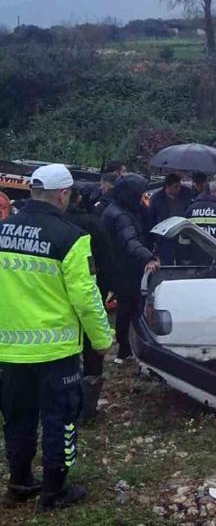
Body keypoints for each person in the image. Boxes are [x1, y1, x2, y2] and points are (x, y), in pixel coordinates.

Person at [0, 164, 113, 511]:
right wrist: (102, 339)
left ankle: (19, 480)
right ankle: (53, 489)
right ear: (63, 194)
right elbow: (86, 296)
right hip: (55, 351)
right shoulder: (70, 236)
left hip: (9, 350)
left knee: (16, 417)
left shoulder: (2, 231)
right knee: (60, 420)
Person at [64, 182, 116, 420]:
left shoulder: (52, 225)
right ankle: (87, 407)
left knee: (65, 354)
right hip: (90, 291)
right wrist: (105, 290)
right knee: (93, 351)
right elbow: (107, 258)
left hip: (56, 302)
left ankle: (63, 399)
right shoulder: (92, 223)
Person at [102, 174, 160, 364]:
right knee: (129, 309)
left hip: (120, 266)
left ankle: (128, 348)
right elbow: (129, 241)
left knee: (129, 308)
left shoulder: (120, 210)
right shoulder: (121, 215)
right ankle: (125, 350)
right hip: (124, 269)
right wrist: (149, 257)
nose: (142, 197)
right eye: (140, 193)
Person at [147, 173, 190, 265]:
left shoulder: (185, 194)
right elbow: (151, 218)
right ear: (168, 186)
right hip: (164, 236)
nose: (178, 189)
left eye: (179, 186)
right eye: (175, 186)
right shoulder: (157, 198)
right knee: (166, 261)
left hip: (182, 234)